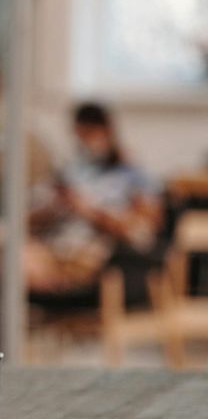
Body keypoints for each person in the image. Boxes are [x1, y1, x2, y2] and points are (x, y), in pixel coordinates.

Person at [24, 102, 164, 294]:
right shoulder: (72, 171)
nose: (85, 142)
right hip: (54, 245)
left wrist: (88, 211)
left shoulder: (133, 175)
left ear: (107, 131)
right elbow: (30, 220)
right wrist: (57, 205)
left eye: (90, 134)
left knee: (22, 267)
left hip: (91, 254)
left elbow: (141, 234)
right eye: (80, 135)